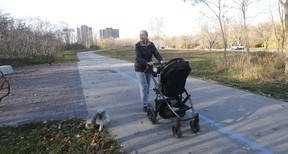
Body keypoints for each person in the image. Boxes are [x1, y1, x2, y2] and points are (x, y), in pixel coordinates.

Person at [134, 30, 165, 112]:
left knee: (147, 86)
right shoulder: (137, 45)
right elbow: (138, 58)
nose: (141, 36)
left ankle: (146, 102)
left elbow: (156, 53)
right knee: (144, 86)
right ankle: (145, 105)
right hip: (140, 68)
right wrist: (147, 63)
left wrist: (161, 60)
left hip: (149, 68)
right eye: (140, 35)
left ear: (147, 36)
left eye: (143, 35)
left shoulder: (151, 44)